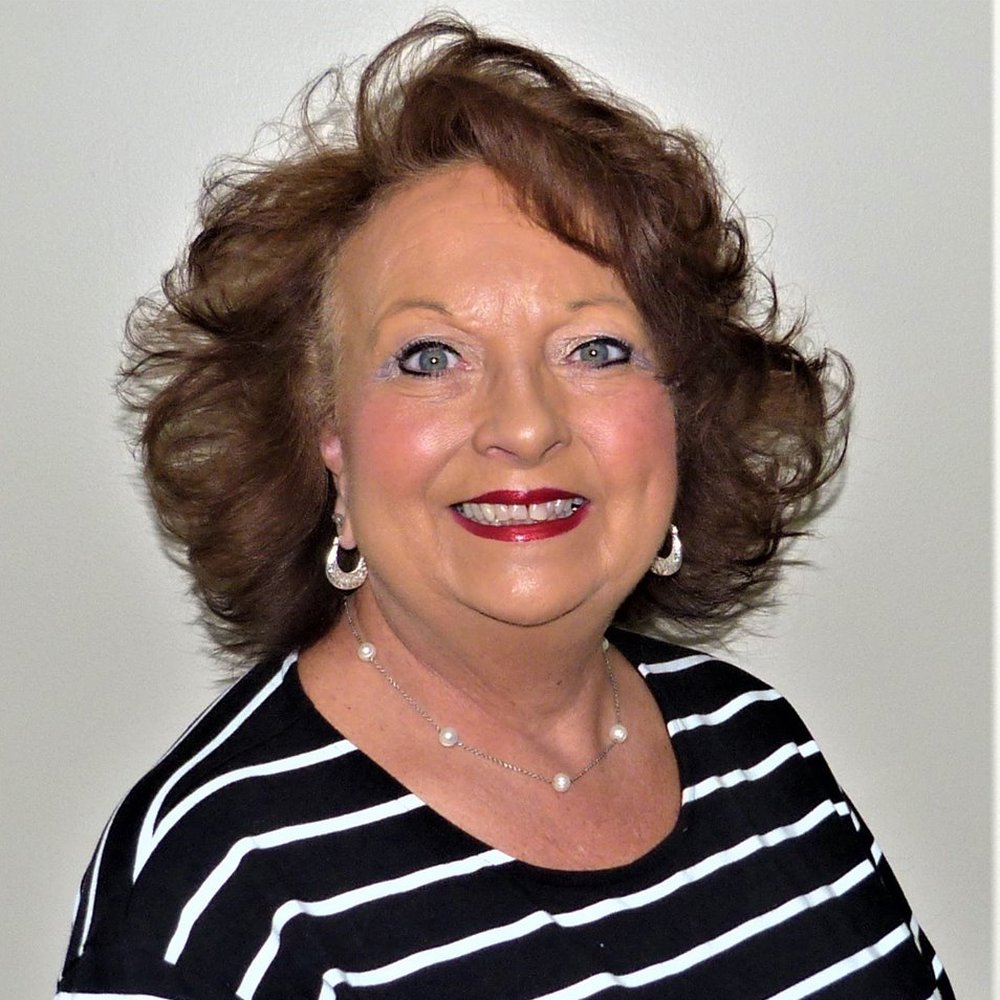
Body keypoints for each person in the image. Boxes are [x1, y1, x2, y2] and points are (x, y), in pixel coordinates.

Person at [56, 16, 954, 1000]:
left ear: (678, 420)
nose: (524, 427)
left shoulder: (758, 741)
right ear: (328, 447)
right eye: (429, 357)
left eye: (596, 350)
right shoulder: (218, 878)